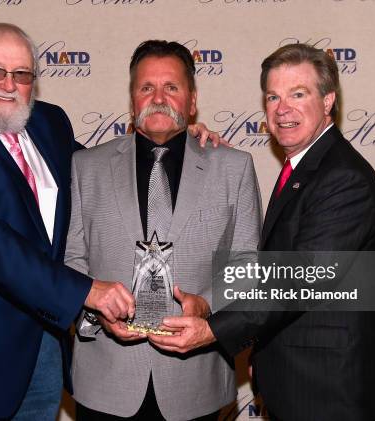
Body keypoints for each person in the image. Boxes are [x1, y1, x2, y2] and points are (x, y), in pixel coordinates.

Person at [0, 24, 219, 420]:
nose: (8, 85)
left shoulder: (48, 123)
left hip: (40, 359)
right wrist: (87, 291)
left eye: (22, 74)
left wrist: (172, 139)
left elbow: (103, 174)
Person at [149, 43, 375, 421]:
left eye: (298, 94)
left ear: (328, 101)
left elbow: (297, 279)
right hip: (296, 383)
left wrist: (212, 329)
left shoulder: (343, 179)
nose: (282, 109)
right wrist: (194, 152)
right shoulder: (302, 167)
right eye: (273, 96)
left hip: (330, 395)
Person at [64, 40, 262, 421]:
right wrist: (96, 313)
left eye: (171, 87)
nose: (158, 97)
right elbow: (73, 259)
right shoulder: (85, 167)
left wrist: (206, 304)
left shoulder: (233, 168)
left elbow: (247, 264)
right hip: (106, 381)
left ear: (191, 101)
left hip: (196, 383)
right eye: (146, 88)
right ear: (132, 100)